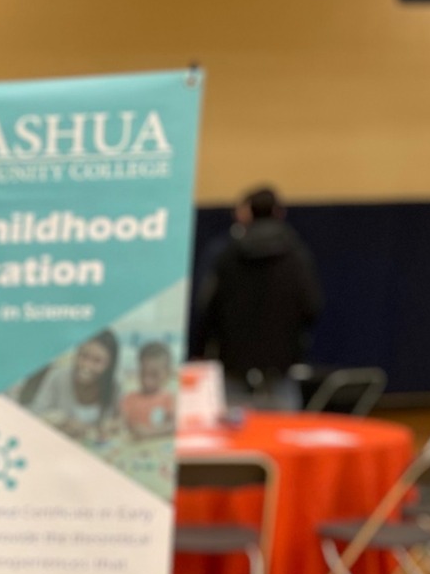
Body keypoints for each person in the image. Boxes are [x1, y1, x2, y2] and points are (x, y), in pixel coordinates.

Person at [193, 187, 322, 407]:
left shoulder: (225, 255)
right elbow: (312, 306)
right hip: (280, 370)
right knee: (282, 436)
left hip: (233, 367)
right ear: (279, 213)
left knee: (236, 438)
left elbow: (208, 308)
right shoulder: (296, 256)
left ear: (245, 213)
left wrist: (201, 350)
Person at [29, 331, 120, 438]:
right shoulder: (58, 376)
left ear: (109, 365)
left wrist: (111, 426)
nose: (86, 365)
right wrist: (63, 422)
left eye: (97, 361)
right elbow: (35, 414)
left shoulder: (114, 387)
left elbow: (116, 421)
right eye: (83, 356)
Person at [121, 340, 176, 438]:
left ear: (167, 374)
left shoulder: (168, 398)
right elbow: (120, 422)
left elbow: (174, 425)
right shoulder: (129, 399)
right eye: (143, 373)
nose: (147, 381)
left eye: (154, 375)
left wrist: (151, 432)